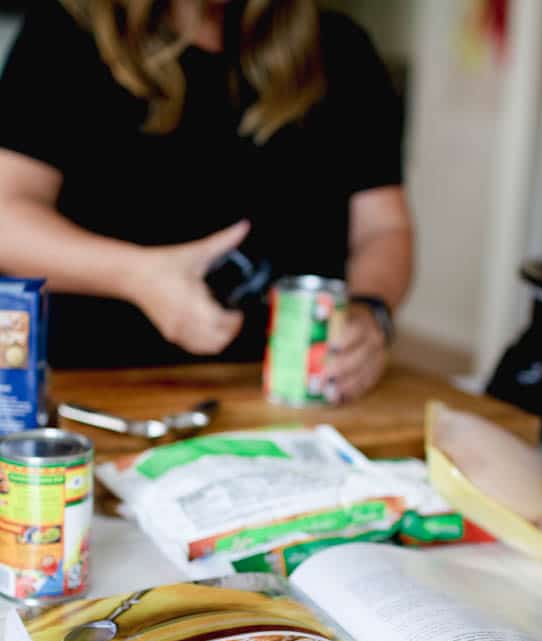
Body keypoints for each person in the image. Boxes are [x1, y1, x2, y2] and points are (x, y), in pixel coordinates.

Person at [0, 0, 413, 402]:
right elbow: (8, 219)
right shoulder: (69, 28)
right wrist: (136, 276)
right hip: (107, 390)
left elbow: (384, 228)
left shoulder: (341, 49)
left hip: (287, 399)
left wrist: (370, 311)